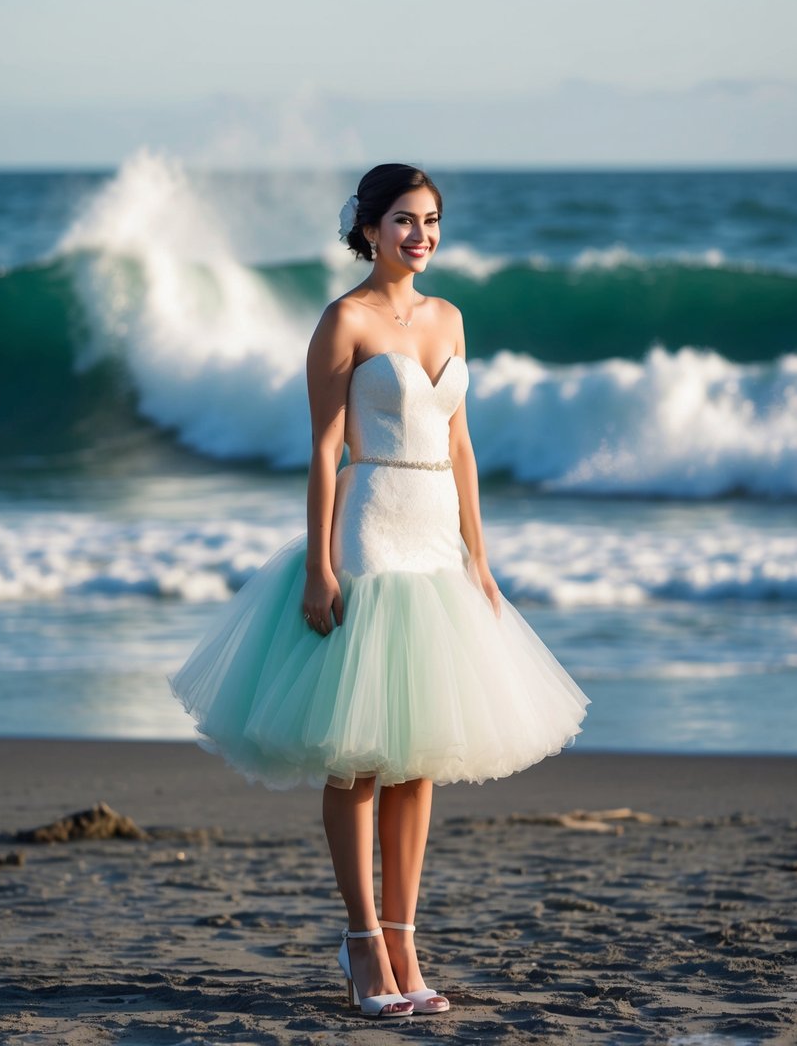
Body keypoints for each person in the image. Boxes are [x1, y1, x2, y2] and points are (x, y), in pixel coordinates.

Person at [169, 163, 589, 1019]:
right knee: (359, 752)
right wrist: (321, 565)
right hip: (370, 528)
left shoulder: (449, 318)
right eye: (403, 220)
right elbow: (325, 450)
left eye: (431, 220)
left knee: (419, 756)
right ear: (367, 228)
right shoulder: (344, 321)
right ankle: (362, 942)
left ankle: (404, 935)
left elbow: (461, 444)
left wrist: (480, 555)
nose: (420, 235)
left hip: (437, 532)